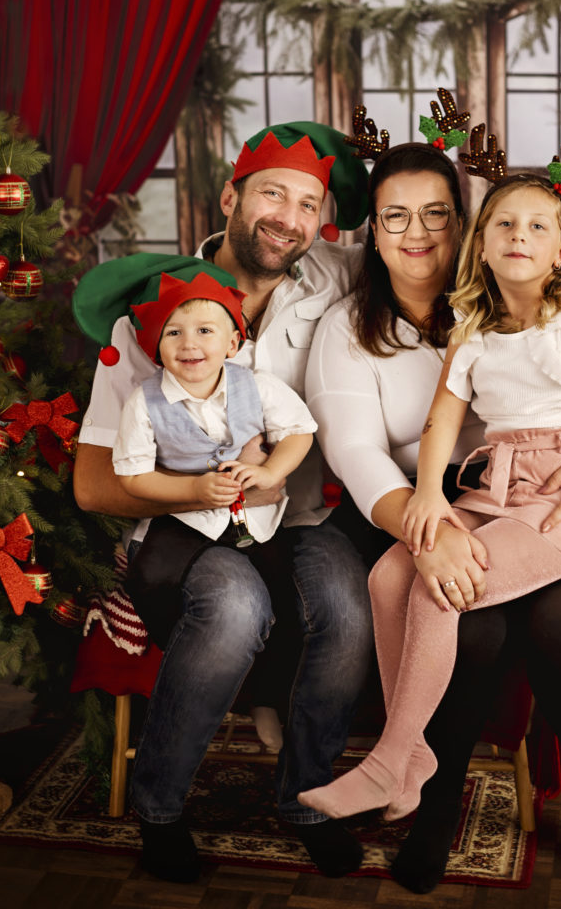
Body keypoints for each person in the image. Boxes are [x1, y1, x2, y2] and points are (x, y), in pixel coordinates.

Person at [302, 102, 561, 893]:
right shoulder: (348, 328)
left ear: (467, 223)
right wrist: (434, 530)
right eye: (394, 216)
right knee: (467, 615)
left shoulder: (525, 298)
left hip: (545, 499)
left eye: (435, 212)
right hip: (427, 512)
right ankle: (430, 796)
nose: (416, 231)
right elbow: (359, 457)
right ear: (372, 231)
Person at [72, 123, 375, 882]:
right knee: (236, 608)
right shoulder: (153, 312)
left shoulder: (335, 282)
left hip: (295, 519)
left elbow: (422, 250)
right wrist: (195, 488)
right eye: (273, 193)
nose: (289, 217)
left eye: (310, 204)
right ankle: (161, 808)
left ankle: (308, 798)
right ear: (231, 195)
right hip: (183, 533)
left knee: (346, 607)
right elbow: (93, 483)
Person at [73, 255, 318, 649]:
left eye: (205, 330)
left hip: (256, 520)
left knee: (283, 592)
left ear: (232, 343)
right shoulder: (144, 403)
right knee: (152, 574)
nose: (189, 343)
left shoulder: (258, 386)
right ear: (155, 348)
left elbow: (299, 431)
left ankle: (266, 699)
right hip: (183, 520)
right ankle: (182, 648)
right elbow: (132, 476)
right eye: (173, 333)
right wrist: (193, 492)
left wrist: (271, 473)